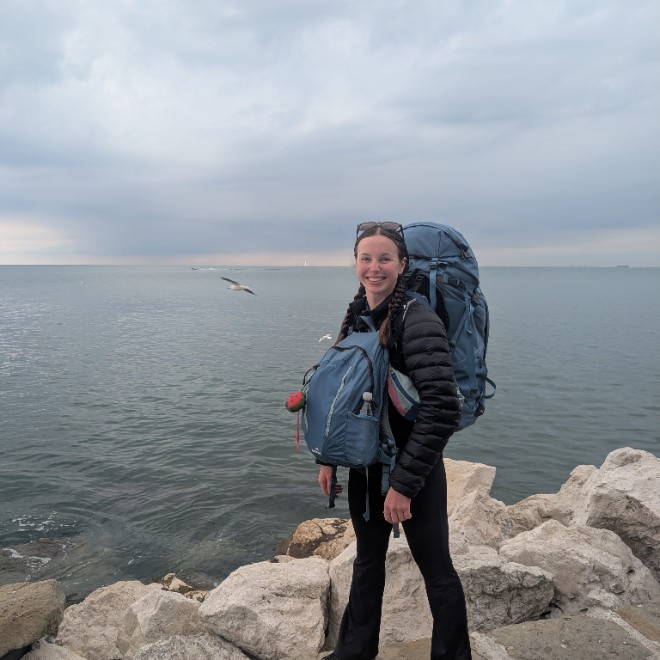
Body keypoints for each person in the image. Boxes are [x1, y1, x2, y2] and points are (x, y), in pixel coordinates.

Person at [319, 221, 472, 660]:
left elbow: (443, 409)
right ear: (355, 263)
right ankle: (353, 654)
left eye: (384, 258)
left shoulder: (418, 319)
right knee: (367, 563)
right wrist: (327, 458)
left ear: (402, 264)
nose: (375, 267)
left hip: (414, 472)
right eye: (366, 258)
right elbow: (342, 395)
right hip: (366, 467)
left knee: (437, 571)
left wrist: (403, 484)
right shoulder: (358, 315)